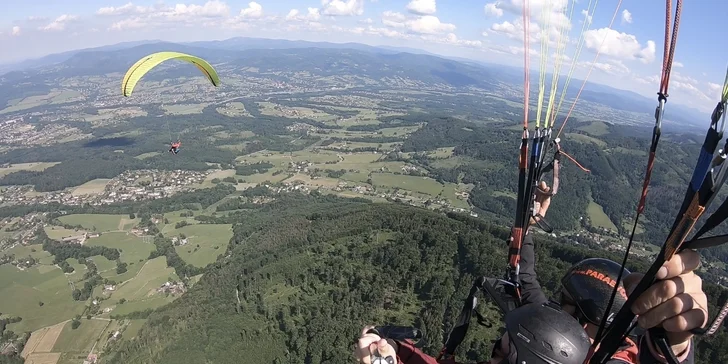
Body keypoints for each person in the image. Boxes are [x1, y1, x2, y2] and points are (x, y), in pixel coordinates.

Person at [354, 181, 708, 364]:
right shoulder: (545, 326)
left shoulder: (616, 354)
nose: (555, 308)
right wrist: (529, 217)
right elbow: (525, 278)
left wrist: (671, 340)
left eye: (568, 307)